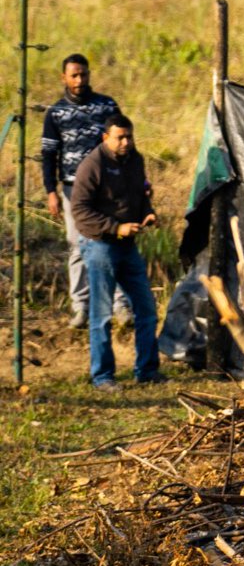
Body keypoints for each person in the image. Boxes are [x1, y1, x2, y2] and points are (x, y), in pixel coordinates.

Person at [70, 113, 165, 391]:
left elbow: (141, 195)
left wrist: (148, 214)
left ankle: (147, 370)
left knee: (146, 309)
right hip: (100, 247)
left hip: (128, 248)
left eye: (129, 136)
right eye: (120, 137)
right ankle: (103, 377)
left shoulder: (135, 160)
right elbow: (80, 212)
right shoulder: (92, 166)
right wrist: (115, 227)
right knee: (101, 316)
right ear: (105, 138)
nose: (126, 142)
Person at [41, 53, 131, 329]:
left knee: (112, 240)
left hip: (106, 187)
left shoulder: (106, 106)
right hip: (71, 189)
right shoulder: (56, 113)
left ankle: (120, 305)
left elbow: (122, 143)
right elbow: (49, 154)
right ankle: (81, 306)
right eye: (74, 75)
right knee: (77, 244)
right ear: (64, 78)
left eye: (84, 74)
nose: (80, 80)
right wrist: (51, 191)